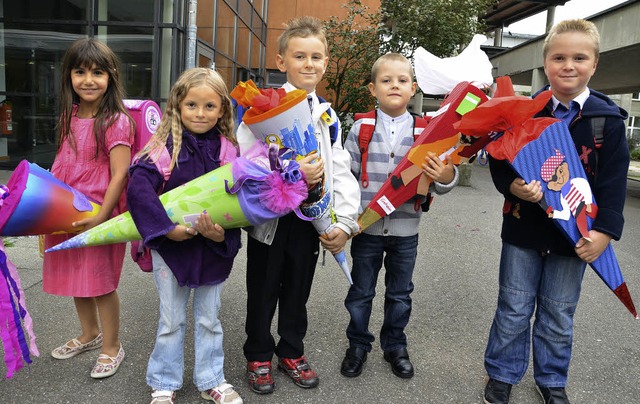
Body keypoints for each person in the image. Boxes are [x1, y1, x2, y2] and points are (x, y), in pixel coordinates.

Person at [482, 19, 630, 404]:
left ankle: (551, 379)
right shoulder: (523, 111)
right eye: (559, 57)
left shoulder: (607, 119)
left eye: (579, 57)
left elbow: (613, 184)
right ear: (546, 63)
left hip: (576, 237)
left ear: (594, 64)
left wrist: (604, 233)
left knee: (559, 313)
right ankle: (502, 373)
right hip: (523, 229)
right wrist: (511, 186)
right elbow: (500, 159)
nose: (569, 65)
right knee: (513, 308)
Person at [236, 16, 360, 394]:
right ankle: (258, 354)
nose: (309, 64)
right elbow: (244, 159)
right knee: (263, 288)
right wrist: (289, 171)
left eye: (317, 57)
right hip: (271, 219)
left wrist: (345, 221)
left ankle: (291, 349)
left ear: (325, 62)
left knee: (297, 290)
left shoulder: (328, 114)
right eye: (300, 56)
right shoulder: (262, 106)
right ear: (281, 61)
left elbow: (339, 168)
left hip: (310, 219)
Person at [127, 68, 243, 404]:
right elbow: (139, 190)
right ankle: (164, 381)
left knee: (209, 317)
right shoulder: (165, 147)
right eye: (192, 104)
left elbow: (242, 199)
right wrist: (165, 230)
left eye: (210, 106)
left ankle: (212, 379)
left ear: (222, 109)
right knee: (171, 318)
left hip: (212, 246)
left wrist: (223, 235)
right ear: (178, 105)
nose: (200, 113)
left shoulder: (228, 150)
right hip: (172, 246)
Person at [340, 53, 458, 379]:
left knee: (400, 293)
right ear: (372, 88)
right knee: (361, 292)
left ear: (413, 88)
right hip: (367, 230)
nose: (395, 85)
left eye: (402, 80)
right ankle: (358, 345)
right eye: (386, 80)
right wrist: (346, 219)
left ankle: (395, 344)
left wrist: (446, 175)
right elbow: (345, 178)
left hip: (407, 230)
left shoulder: (427, 131)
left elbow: (445, 181)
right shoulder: (361, 127)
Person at [44, 38, 134, 379]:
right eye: (79, 71)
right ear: (69, 76)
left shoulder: (116, 120)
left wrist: (101, 215)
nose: (88, 80)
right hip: (66, 212)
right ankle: (89, 333)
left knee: (101, 283)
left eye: (97, 72)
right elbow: (61, 163)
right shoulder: (68, 115)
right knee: (76, 278)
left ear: (110, 76)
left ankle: (112, 345)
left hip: (99, 213)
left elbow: (120, 172)